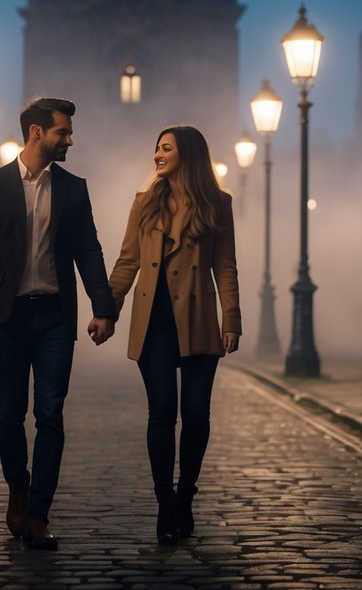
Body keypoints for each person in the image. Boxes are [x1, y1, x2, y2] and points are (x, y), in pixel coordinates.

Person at [0, 97, 116, 550]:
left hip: (54, 318)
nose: (70, 140)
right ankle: (18, 489)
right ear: (36, 132)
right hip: (4, 318)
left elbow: (88, 250)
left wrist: (103, 308)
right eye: (63, 132)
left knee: (50, 414)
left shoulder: (73, 189)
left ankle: (40, 513)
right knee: (9, 413)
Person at [106, 126, 241, 544]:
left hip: (198, 318)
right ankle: (165, 501)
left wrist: (231, 319)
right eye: (157, 148)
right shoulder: (145, 202)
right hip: (154, 321)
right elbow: (127, 262)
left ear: (189, 155)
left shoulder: (218, 204)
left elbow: (226, 267)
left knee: (197, 414)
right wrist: (107, 311)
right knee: (162, 412)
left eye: (166, 148)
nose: (157, 155)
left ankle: (186, 495)